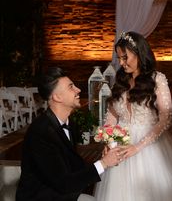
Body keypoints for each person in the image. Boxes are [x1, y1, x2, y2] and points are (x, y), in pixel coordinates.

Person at [94, 31, 172, 201]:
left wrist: (137, 147)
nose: (121, 63)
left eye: (125, 57)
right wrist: (109, 142)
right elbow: (112, 117)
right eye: (119, 58)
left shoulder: (157, 79)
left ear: (138, 54)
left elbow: (166, 117)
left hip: (148, 146)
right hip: (120, 148)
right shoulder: (120, 82)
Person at [16, 67, 123, 201]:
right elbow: (64, 183)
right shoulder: (41, 132)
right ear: (57, 97)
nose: (78, 90)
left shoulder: (68, 123)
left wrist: (103, 159)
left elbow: (74, 166)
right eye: (71, 87)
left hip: (58, 192)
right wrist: (104, 163)